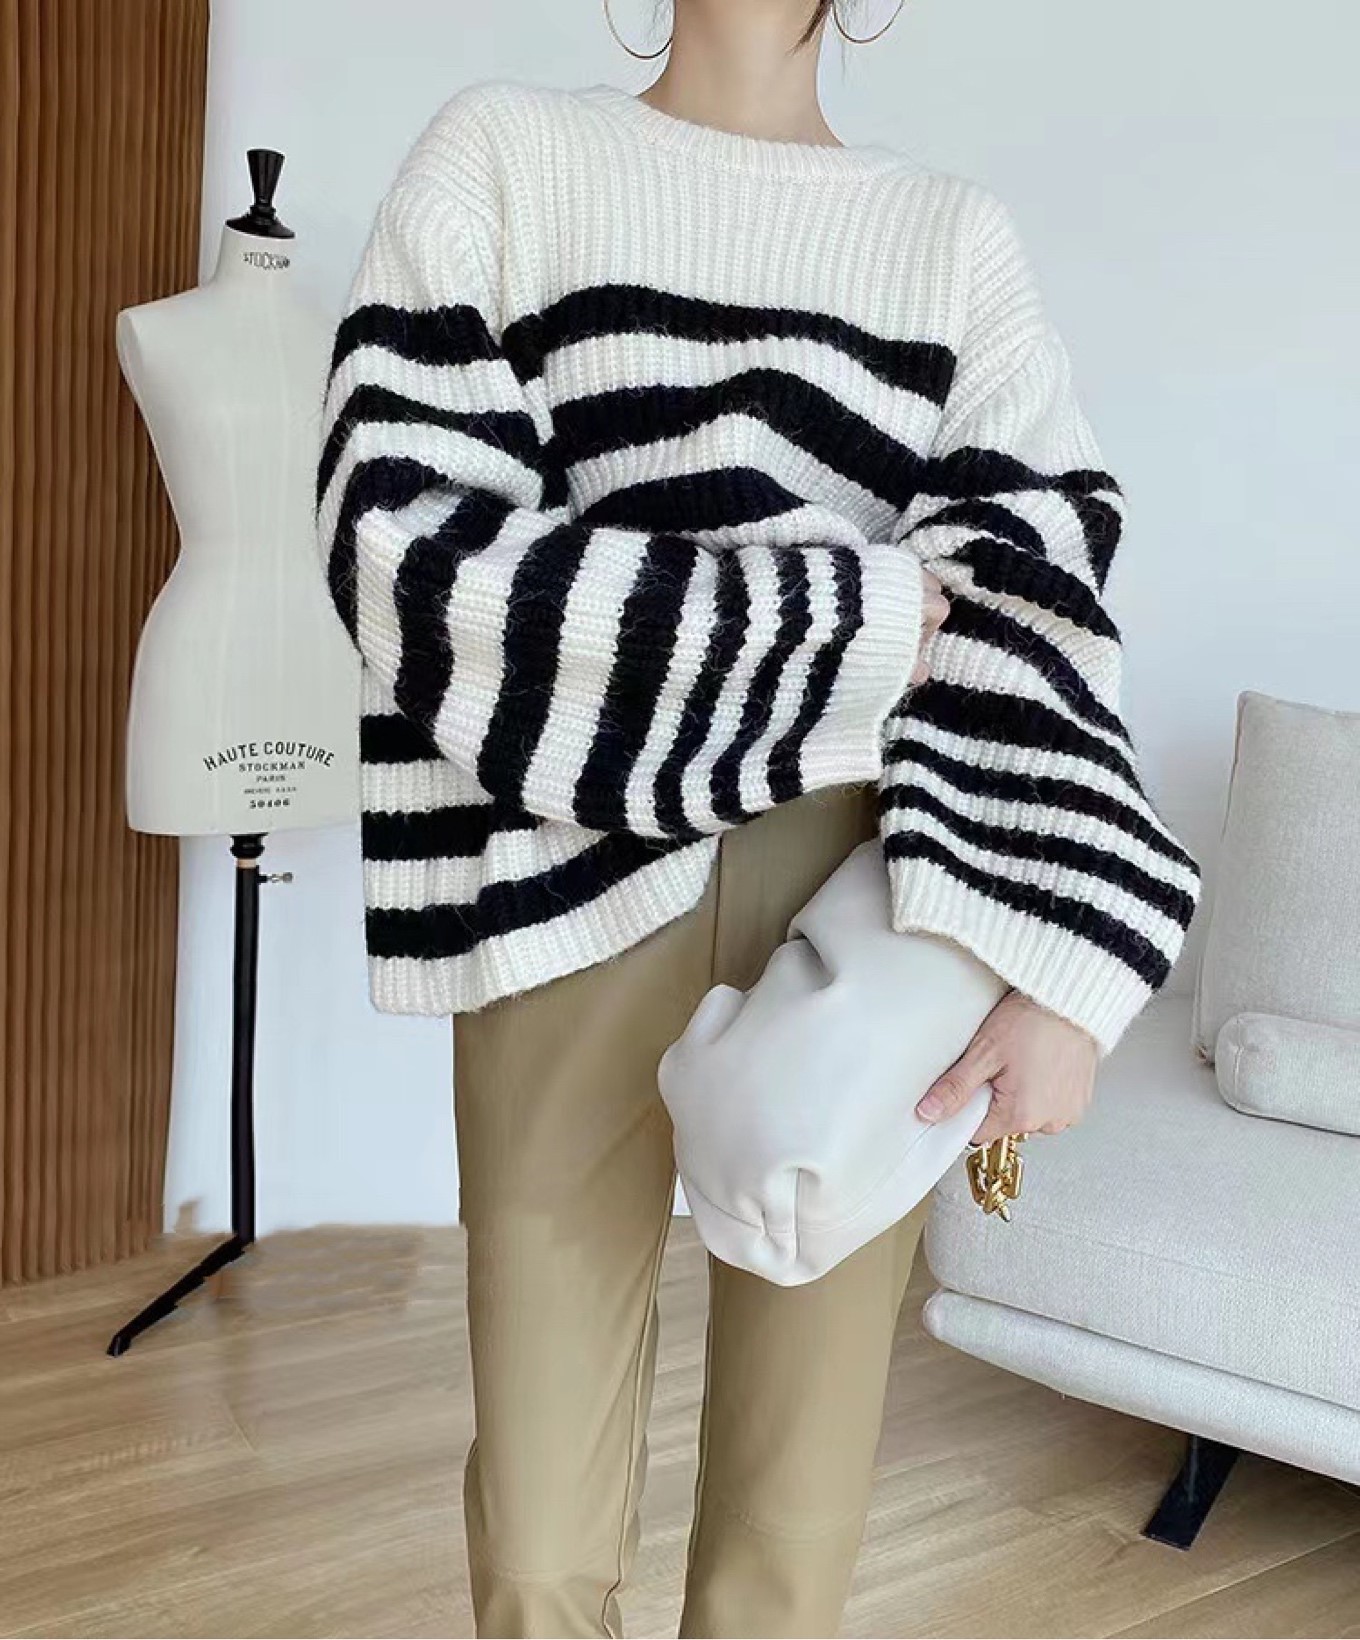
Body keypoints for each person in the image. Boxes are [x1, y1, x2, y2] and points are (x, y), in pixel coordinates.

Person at [314, 2, 1201, 1632]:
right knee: (538, 1541)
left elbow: (1041, 590)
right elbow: (407, 551)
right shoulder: (504, 158)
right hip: (557, 869)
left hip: (869, 880)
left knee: (794, 1537)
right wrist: (858, 618)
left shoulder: (948, 240)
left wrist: (1063, 968)